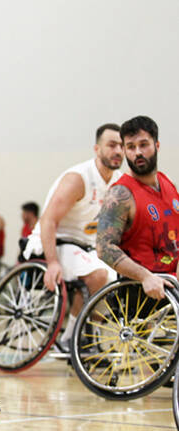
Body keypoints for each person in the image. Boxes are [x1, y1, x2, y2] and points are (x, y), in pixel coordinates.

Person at [23, 123, 124, 347]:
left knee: (115, 278)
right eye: (111, 145)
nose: (118, 150)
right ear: (97, 149)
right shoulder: (78, 178)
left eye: (121, 145)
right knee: (97, 275)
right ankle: (71, 337)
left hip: (87, 245)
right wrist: (52, 263)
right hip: (56, 240)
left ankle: (91, 337)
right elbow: (49, 220)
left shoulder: (120, 181)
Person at [97, 116, 178, 300]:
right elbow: (104, 247)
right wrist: (145, 277)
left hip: (175, 282)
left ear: (156, 145)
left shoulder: (168, 183)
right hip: (145, 287)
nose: (137, 153)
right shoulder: (120, 194)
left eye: (143, 144)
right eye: (131, 147)